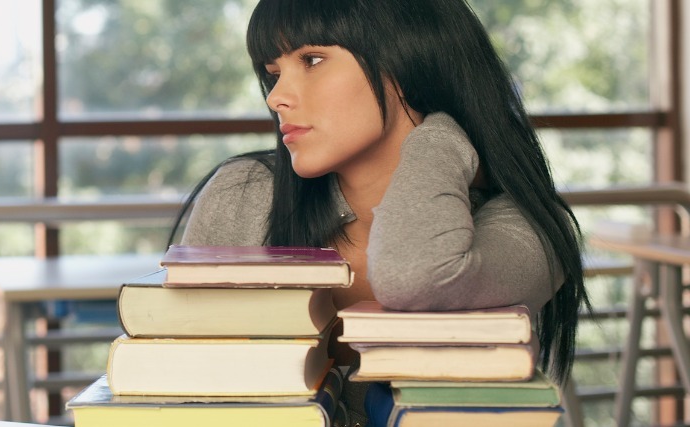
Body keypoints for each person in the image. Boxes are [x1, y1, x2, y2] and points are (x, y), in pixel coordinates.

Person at [168, 0, 589, 425]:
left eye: (312, 60)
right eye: (273, 74)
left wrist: (439, 138)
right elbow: (174, 390)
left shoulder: (527, 229)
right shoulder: (244, 196)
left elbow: (414, 274)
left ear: (404, 63)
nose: (276, 97)